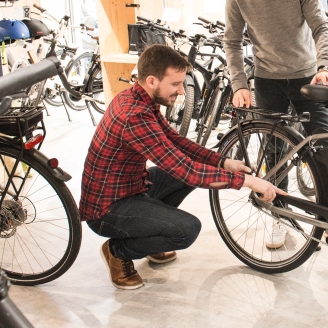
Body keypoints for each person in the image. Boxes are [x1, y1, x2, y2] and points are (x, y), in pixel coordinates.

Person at [79, 44, 284, 290]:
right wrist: (250, 182)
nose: (181, 91)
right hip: (107, 209)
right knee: (186, 230)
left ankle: (149, 236)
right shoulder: (134, 116)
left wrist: (223, 161)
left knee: (185, 173)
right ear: (152, 80)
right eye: (175, 84)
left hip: (131, 187)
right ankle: (118, 251)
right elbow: (188, 171)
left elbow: (176, 142)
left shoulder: (139, 97)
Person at [223, 0, 328, 250]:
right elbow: (231, 43)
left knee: (323, 146)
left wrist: (325, 67)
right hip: (268, 81)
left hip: (307, 77)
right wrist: (240, 84)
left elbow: (320, 26)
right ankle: (279, 217)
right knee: (275, 152)